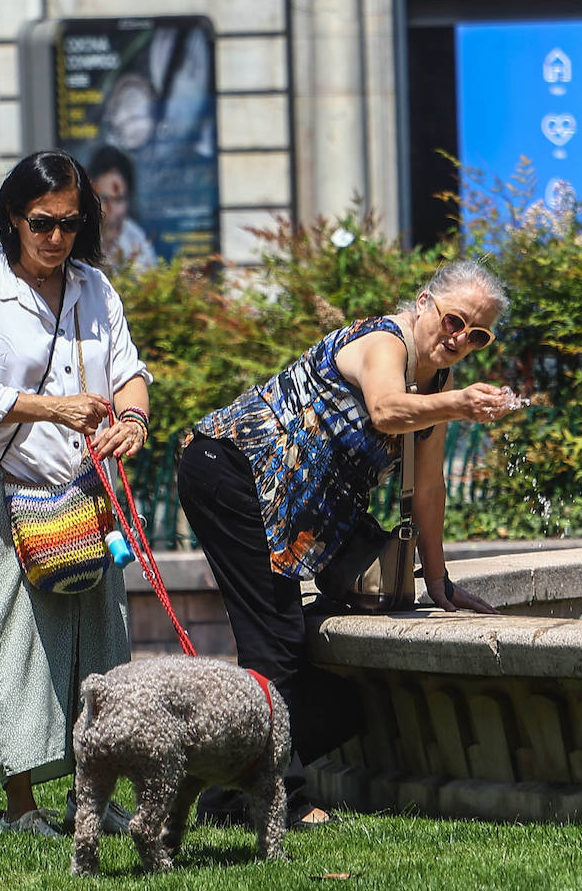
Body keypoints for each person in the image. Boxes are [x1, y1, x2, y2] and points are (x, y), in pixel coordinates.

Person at [176, 259, 517, 828]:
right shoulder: (385, 341)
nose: (460, 339)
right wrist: (458, 406)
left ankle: (221, 791)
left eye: (476, 334)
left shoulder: (438, 383)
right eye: (454, 320)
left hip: (307, 508)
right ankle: (278, 797)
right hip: (232, 472)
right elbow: (385, 410)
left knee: (378, 606)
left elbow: (428, 490)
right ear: (425, 302)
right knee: (276, 634)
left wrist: (438, 583)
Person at [0, 149, 151, 835]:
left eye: (68, 223)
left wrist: (135, 422)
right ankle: (21, 805)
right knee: (11, 646)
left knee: (102, 643)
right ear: (10, 218)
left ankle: (99, 797)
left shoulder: (94, 287)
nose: (55, 237)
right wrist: (56, 407)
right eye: (41, 222)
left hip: (83, 491)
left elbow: (129, 373)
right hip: (2, 493)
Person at [88, 144, 158, 269]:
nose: (110, 209)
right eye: (104, 199)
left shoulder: (138, 241)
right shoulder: (76, 242)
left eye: (118, 200)